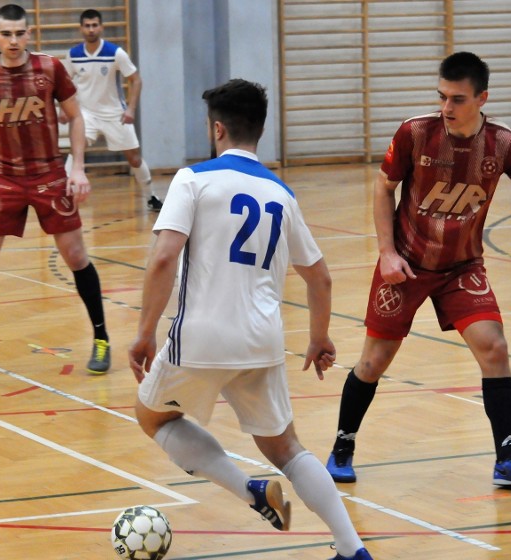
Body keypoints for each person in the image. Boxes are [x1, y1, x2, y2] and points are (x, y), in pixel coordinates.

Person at [128, 79, 372, 560]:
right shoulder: (282, 194)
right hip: (263, 341)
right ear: (259, 130)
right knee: (287, 448)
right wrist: (319, 337)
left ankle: (250, 492)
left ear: (217, 129)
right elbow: (319, 278)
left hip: (200, 336)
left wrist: (143, 332)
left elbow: (163, 260)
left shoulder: (192, 179)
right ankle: (352, 549)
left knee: (152, 414)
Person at [326, 51, 511, 489]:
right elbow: (383, 187)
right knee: (374, 361)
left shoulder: (505, 144)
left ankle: (507, 459)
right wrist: (387, 253)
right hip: (407, 264)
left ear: (482, 98)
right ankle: (342, 448)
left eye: (457, 99)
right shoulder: (416, 133)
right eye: (442, 97)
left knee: (494, 347)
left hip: (462, 267)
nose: (447, 108)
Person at [0, 4, 111, 378]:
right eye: (6, 33)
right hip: (3, 178)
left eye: (19, 33)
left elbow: (75, 117)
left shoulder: (50, 68)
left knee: (75, 255)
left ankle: (101, 337)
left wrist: (78, 168)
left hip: (49, 175)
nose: (13, 40)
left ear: (29, 33)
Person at [61, 8, 163, 212]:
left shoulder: (115, 53)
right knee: (75, 152)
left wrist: (131, 109)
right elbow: (64, 83)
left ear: (101, 27)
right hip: (85, 114)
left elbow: (136, 80)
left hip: (114, 114)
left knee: (134, 158)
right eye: (87, 26)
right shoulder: (73, 55)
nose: (91, 29)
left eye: (94, 25)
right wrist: (64, 109)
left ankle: (151, 196)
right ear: (81, 28)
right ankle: (65, 197)